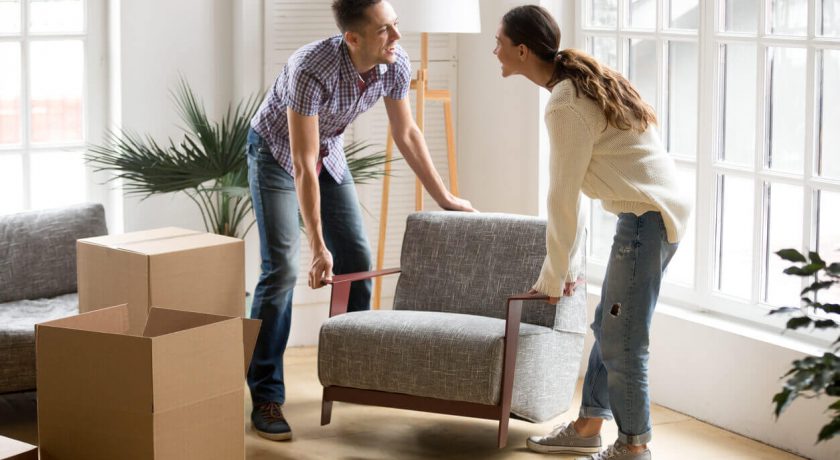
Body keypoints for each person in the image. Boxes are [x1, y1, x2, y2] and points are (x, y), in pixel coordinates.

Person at [246, 0, 475, 442]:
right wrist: (316, 247)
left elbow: (406, 132)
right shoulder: (309, 68)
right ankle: (266, 395)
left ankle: (350, 373)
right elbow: (301, 160)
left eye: (396, 26)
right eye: (385, 30)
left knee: (358, 261)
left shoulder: (394, 61)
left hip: (327, 150)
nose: (397, 37)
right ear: (352, 38)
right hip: (277, 153)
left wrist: (444, 196)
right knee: (281, 271)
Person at [493, 5, 691, 460]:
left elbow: (562, 197)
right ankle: (587, 427)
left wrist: (552, 275)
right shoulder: (570, 88)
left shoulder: (564, 103)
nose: (494, 50)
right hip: (652, 216)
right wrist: (561, 267)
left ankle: (634, 447)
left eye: (500, 42)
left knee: (624, 341)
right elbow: (574, 195)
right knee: (609, 327)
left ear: (522, 51)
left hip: (648, 218)